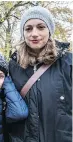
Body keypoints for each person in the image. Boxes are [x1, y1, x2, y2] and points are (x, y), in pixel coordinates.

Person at [8, 6, 72, 142]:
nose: (34, 33)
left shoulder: (68, 63)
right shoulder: (12, 66)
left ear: (49, 30)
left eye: (41, 27)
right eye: (28, 28)